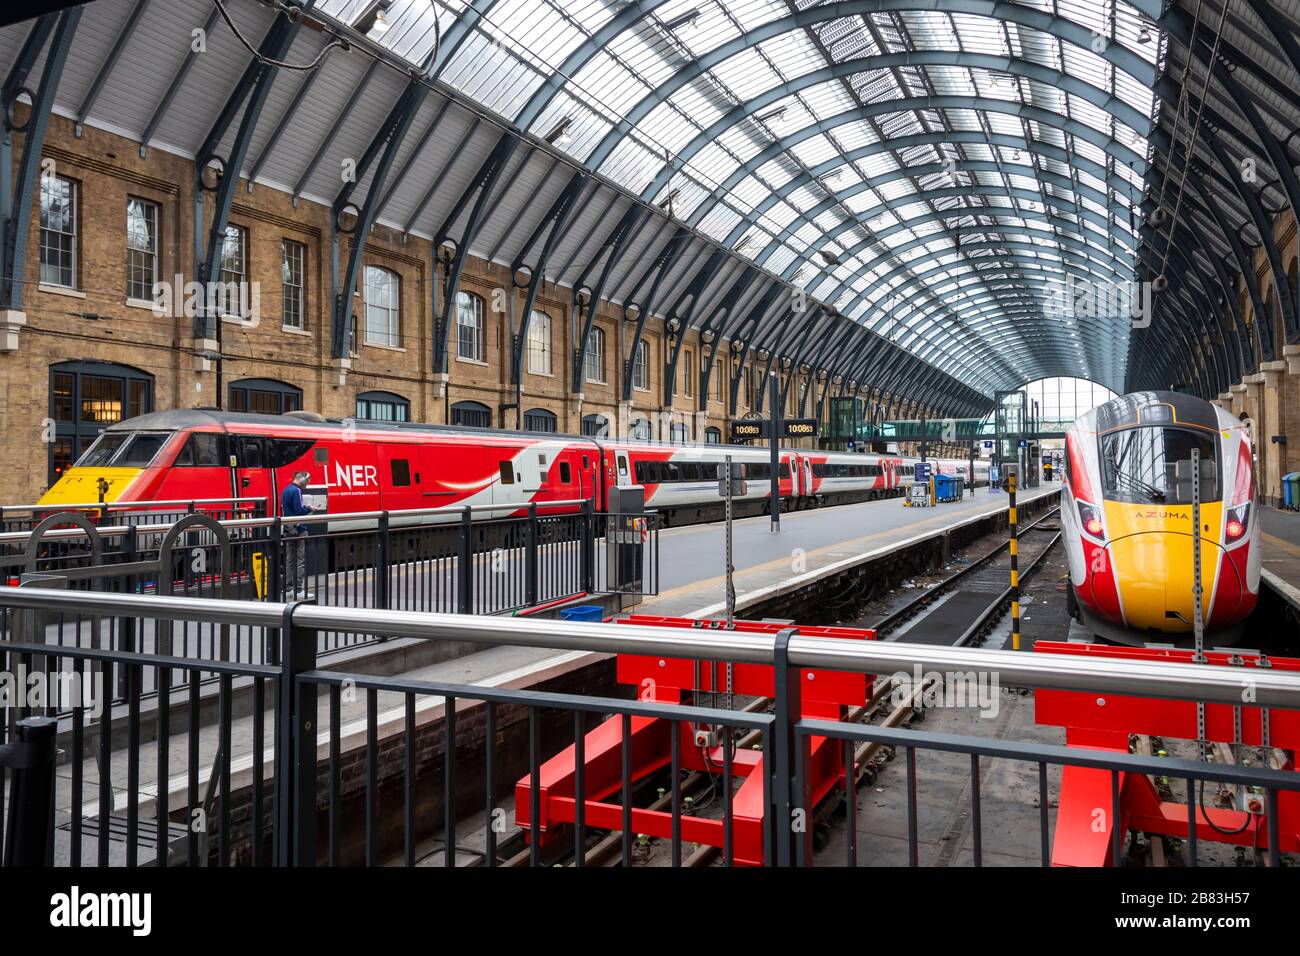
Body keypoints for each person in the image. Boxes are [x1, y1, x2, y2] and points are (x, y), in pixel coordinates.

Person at [281, 470, 316, 599]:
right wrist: (310, 508)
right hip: (299, 528)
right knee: (300, 559)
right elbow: (299, 510)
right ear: (302, 480)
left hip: (288, 528)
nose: (307, 484)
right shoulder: (296, 491)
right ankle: (299, 589)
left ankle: (288, 588)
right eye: (307, 481)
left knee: (289, 559)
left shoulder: (286, 490)